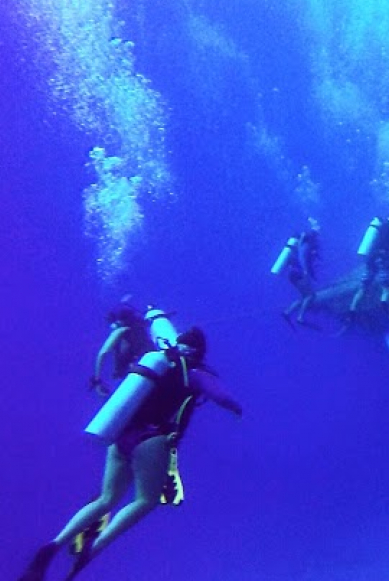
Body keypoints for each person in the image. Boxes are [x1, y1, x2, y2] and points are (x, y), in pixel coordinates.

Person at [17, 327, 243, 581]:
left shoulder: (156, 361)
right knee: (146, 501)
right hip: (151, 439)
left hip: (121, 434)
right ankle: (94, 549)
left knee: (106, 498)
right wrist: (238, 408)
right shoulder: (195, 372)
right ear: (200, 352)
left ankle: (53, 546)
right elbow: (220, 397)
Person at [89, 301, 153, 397]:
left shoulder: (121, 330)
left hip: (139, 370)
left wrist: (97, 381)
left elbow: (103, 353)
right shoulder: (141, 326)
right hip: (150, 361)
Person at [281, 219, 322, 326]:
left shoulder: (295, 248)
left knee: (304, 296)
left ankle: (287, 312)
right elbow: (303, 260)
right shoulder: (304, 247)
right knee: (310, 296)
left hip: (291, 275)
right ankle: (300, 317)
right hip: (298, 274)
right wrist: (306, 272)